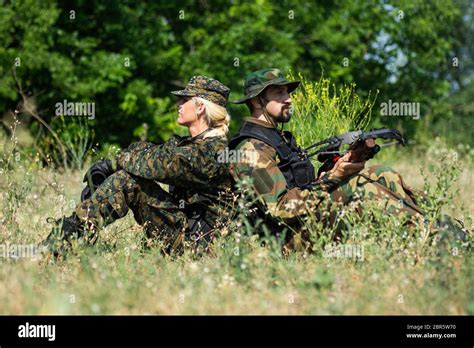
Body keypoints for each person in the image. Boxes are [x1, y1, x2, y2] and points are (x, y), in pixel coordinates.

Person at [229, 68, 424, 246]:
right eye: (279, 93)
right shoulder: (250, 149)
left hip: (304, 222)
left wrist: (337, 167)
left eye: (287, 92)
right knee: (363, 188)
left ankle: (428, 228)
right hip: (284, 241)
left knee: (381, 172)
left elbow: (300, 187)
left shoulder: (278, 138)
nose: (288, 99)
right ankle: (426, 238)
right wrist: (333, 178)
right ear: (256, 101)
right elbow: (280, 209)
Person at [42, 76, 233, 255]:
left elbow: (156, 164)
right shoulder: (190, 144)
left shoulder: (212, 152)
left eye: (185, 100)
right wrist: (108, 172)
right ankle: (66, 238)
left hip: (200, 246)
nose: (178, 105)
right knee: (127, 177)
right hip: (186, 233)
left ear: (200, 107)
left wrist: (112, 165)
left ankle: (61, 243)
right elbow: (144, 150)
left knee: (128, 181)